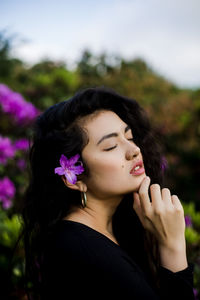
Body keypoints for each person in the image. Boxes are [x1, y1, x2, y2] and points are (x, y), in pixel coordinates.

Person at [21, 87, 195, 300]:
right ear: (74, 179)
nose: (134, 150)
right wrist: (172, 247)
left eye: (129, 137)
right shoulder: (82, 251)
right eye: (111, 146)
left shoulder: (104, 235)